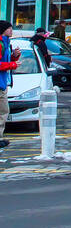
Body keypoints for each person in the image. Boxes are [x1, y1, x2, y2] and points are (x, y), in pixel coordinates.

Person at [0, 21, 21, 149]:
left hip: (3, 83)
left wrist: (14, 57)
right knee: (3, 111)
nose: (11, 31)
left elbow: (4, 61)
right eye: (9, 28)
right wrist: (12, 64)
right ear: (3, 30)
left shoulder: (6, 44)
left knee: (3, 111)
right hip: (0, 84)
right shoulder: (1, 44)